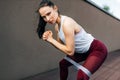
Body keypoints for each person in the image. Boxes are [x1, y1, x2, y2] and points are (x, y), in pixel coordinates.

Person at [36, 0, 108, 80]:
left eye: (48, 14)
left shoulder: (66, 23)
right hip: (82, 52)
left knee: (81, 75)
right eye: (44, 17)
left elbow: (70, 51)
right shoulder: (57, 27)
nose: (48, 19)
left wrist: (52, 40)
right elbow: (61, 46)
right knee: (63, 64)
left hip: (97, 49)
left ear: (55, 8)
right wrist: (50, 39)